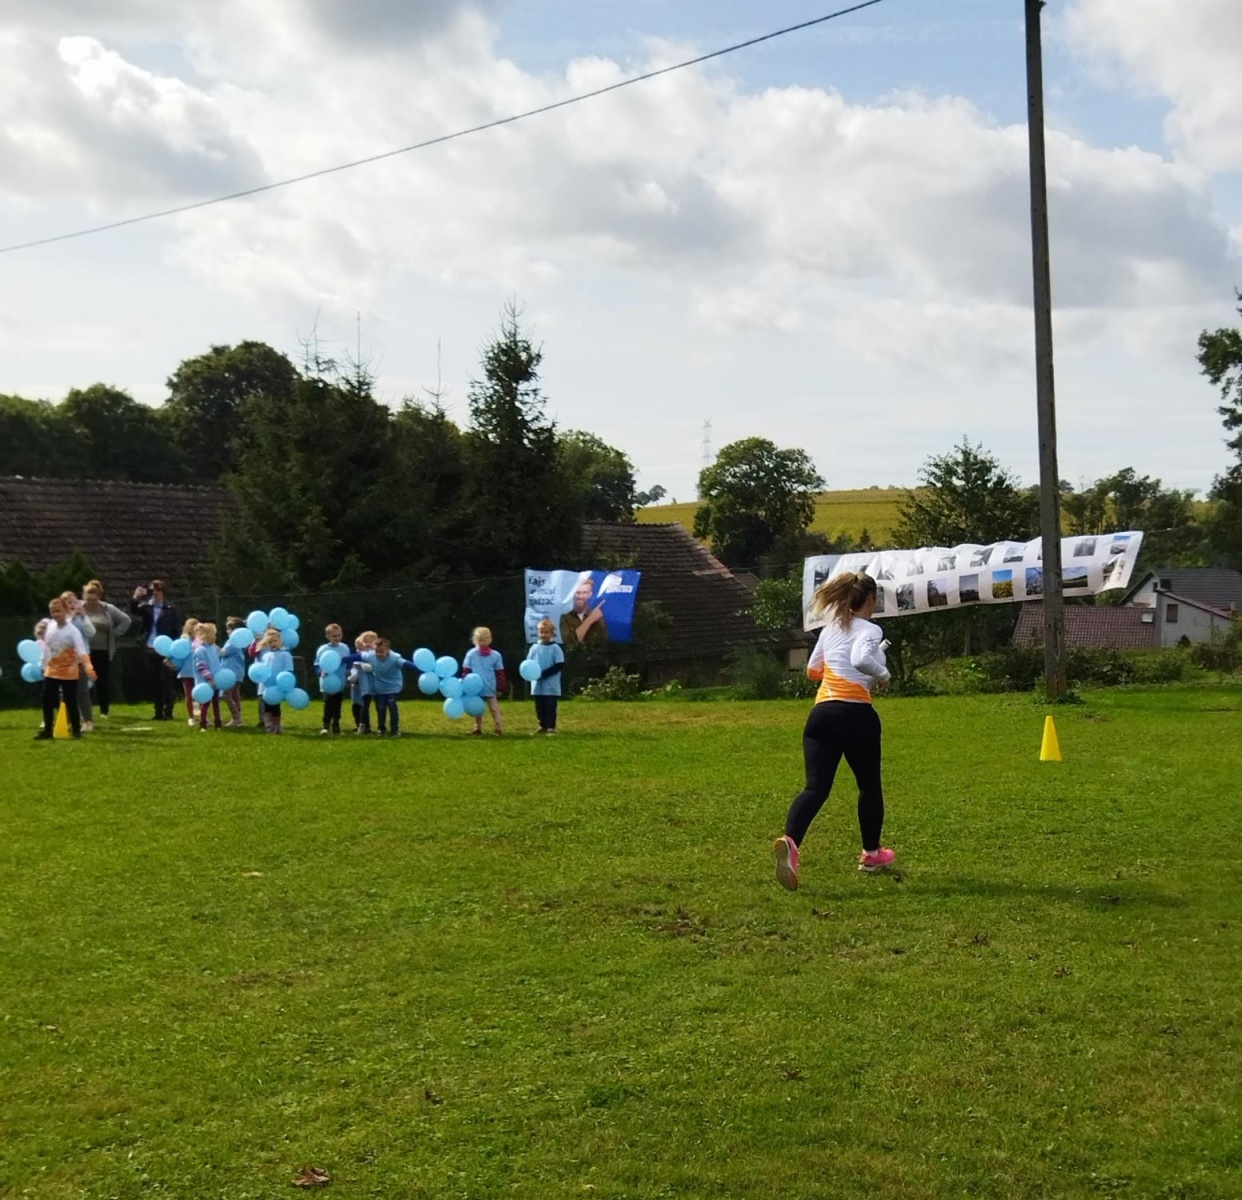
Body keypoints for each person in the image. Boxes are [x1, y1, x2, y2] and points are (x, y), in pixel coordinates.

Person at [773, 571, 895, 891]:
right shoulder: (870, 629)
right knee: (868, 787)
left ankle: (790, 842)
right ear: (870, 600)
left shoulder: (830, 629)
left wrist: (841, 671)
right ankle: (871, 854)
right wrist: (882, 675)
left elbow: (813, 670)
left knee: (815, 788)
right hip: (856, 715)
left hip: (821, 715)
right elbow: (861, 658)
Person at [36, 596, 97, 740]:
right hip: (52, 670)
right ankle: (48, 731)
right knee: (47, 699)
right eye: (52, 611)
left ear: (65, 611)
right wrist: (44, 665)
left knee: (70, 701)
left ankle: (76, 730)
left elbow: (81, 651)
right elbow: (47, 649)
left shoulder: (72, 631)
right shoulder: (50, 627)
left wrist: (89, 669)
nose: (55, 614)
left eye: (58, 611)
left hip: (69, 671)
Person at [130, 581, 181, 720]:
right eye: (153, 591)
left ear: (163, 593)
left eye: (158, 591)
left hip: (165, 648)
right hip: (150, 647)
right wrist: (136, 597)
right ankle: (158, 711)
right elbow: (133, 610)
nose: (155, 594)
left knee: (166, 680)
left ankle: (168, 711)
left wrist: (174, 649)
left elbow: (176, 629)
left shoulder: (170, 609)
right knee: (154, 681)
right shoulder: (146, 606)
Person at [82, 580, 131, 719]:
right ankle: (84, 710)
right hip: (85, 651)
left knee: (102, 681)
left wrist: (114, 633)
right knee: (84, 681)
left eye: (94, 600)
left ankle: (104, 710)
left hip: (103, 651)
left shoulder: (108, 609)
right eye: (88, 600)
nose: (91, 602)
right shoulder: (79, 608)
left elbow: (126, 620)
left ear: (99, 597)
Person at [355, 637, 416, 737]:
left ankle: (395, 730)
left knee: (392, 707)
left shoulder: (395, 658)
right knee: (381, 708)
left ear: (388, 650)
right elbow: (357, 656)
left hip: (393, 687)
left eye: (381, 652)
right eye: (377, 652)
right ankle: (381, 729)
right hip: (380, 688)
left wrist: (421, 670)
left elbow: (407, 664)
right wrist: (342, 660)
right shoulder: (371, 656)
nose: (379, 654)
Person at [60, 591, 97, 731]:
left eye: (75, 602)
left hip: (81, 659)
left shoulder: (82, 618)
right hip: (66, 660)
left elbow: (91, 633)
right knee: (66, 693)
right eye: (69, 602)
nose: (73, 605)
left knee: (82, 691)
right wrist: (72, 618)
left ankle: (88, 721)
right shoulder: (61, 620)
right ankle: (68, 721)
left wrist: (84, 617)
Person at [462, 626, 505, 736]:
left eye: (485, 640)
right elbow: (466, 670)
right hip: (475, 688)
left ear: (490, 640)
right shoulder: (471, 654)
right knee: (477, 709)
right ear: (475, 640)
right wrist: (465, 685)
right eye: (480, 640)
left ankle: (498, 728)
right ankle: (478, 728)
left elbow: (500, 673)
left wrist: (500, 688)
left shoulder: (496, 655)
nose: (483, 643)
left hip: (490, 687)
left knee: (494, 709)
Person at [526, 618, 565, 734]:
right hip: (537, 684)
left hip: (551, 685)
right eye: (541, 632)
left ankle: (551, 727)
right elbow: (529, 664)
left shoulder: (556, 648)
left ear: (552, 633)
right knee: (539, 706)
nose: (543, 635)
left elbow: (559, 665)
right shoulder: (534, 648)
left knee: (550, 706)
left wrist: (544, 674)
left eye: (546, 632)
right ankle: (542, 725)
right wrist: (531, 674)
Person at [256, 628, 294, 734]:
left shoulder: (285, 654)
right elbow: (262, 669)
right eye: (270, 642)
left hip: (278, 686)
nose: (273, 644)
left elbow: (289, 669)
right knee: (267, 708)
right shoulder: (266, 655)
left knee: (276, 708)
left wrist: (285, 682)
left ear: (280, 641)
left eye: (275, 641)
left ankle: (277, 726)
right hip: (266, 686)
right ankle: (268, 726)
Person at [314, 623, 348, 736]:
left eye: (339, 635)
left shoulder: (344, 648)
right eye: (334, 636)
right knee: (328, 704)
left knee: (337, 706)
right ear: (327, 636)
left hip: (340, 682)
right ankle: (325, 726)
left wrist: (349, 672)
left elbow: (348, 662)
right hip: (327, 682)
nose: (337, 638)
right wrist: (321, 672)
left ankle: (336, 726)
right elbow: (316, 664)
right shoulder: (323, 649)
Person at [559, 572, 609, 647]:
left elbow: (604, 644)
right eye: (578, 592)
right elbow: (570, 643)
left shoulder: (598, 618)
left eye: (584, 593)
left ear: (590, 594)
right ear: (573, 594)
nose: (580, 596)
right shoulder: (565, 618)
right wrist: (590, 619)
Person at [192, 623, 224, 731]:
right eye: (214, 634)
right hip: (205, 682)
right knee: (205, 703)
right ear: (208, 635)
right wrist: (209, 678)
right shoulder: (200, 650)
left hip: (215, 680)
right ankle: (203, 724)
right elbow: (201, 666)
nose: (215, 637)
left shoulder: (213, 648)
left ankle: (218, 723)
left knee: (216, 702)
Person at [219, 616, 247, 727]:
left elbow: (223, 653)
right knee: (235, 696)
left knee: (227, 695)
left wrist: (212, 647)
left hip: (231, 673)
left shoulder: (233, 642)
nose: (227, 631)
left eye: (229, 629)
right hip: (237, 672)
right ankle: (238, 718)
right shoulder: (239, 642)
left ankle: (236, 718)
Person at [350, 631, 378, 734]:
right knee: (358, 705)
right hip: (360, 685)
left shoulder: (376, 655)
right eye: (365, 641)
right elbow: (354, 669)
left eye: (371, 641)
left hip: (373, 685)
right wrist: (353, 677)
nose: (368, 644)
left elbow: (375, 667)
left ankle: (370, 726)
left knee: (370, 705)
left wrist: (362, 666)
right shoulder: (361, 656)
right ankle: (360, 725)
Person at [175, 618, 201, 725]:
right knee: (190, 695)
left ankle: (198, 716)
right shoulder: (184, 641)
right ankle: (192, 717)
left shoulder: (200, 641)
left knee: (198, 695)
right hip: (187, 671)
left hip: (197, 671)